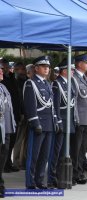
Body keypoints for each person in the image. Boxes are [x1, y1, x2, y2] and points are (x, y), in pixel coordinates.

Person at [23, 56, 59, 189]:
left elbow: (52, 106)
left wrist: (55, 121)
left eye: (48, 67)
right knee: (34, 154)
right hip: (38, 124)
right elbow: (30, 105)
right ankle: (30, 181)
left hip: (49, 124)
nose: (47, 69)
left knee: (44, 156)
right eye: (43, 66)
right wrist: (34, 122)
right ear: (36, 68)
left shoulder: (47, 84)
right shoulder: (30, 83)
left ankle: (39, 180)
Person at [48, 59, 78, 188]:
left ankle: (62, 175)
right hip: (61, 121)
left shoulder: (69, 83)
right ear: (64, 71)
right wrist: (58, 121)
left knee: (66, 151)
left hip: (69, 121)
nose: (73, 72)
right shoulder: (57, 84)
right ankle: (52, 177)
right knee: (57, 151)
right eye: (71, 70)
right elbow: (55, 105)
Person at [71, 53, 87, 184]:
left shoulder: (85, 78)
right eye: (86, 62)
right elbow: (76, 100)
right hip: (79, 118)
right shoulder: (74, 79)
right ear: (79, 64)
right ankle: (74, 174)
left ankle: (80, 172)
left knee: (82, 149)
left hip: (86, 118)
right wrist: (77, 118)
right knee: (76, 148)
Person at [0, 58, 20, 173]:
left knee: (5, 150)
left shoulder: (4, 86)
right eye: (1, 69)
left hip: (7, 125)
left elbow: (13, 102)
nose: (3, 71)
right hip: (1, 126)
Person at [0, 63, 16, 197]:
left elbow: (8, 109)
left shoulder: (3, 87)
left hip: (5, 130)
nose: (1, 71)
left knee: (3, 156)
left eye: (1, 69)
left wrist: (11, 126)